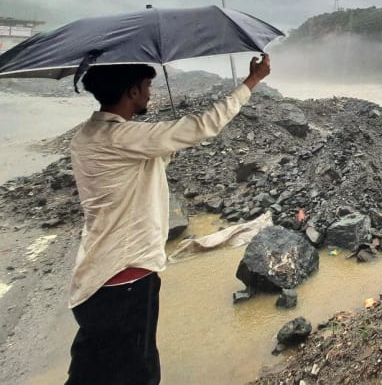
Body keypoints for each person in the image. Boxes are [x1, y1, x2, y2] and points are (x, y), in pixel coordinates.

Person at [65, 54, 271, 385]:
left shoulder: (88, 136)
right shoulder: (124, 138)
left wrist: (168, 145)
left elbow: (139, 166)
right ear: (131, 91)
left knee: (90, 374)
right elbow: (204, 125)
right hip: (126, 280)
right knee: (139, 373)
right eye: (147, 87)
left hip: (94, 279)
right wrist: (252, 81)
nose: (150, 94)